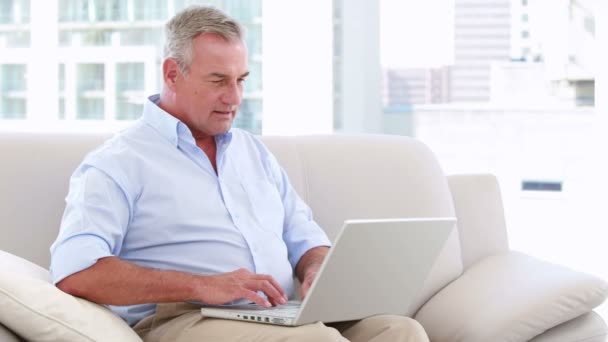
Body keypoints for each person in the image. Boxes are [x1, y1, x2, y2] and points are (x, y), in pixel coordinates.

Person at [50, 5, 429, 342]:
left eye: (241, 80)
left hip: (280, 317)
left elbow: (306, 241)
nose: (234, 98)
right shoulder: (118, 162)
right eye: (218, 81)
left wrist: (316, 270)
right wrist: (203, 285)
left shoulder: (253, 153)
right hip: (186, 320)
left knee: (401, 331)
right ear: (171, 74)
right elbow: (76, 271)